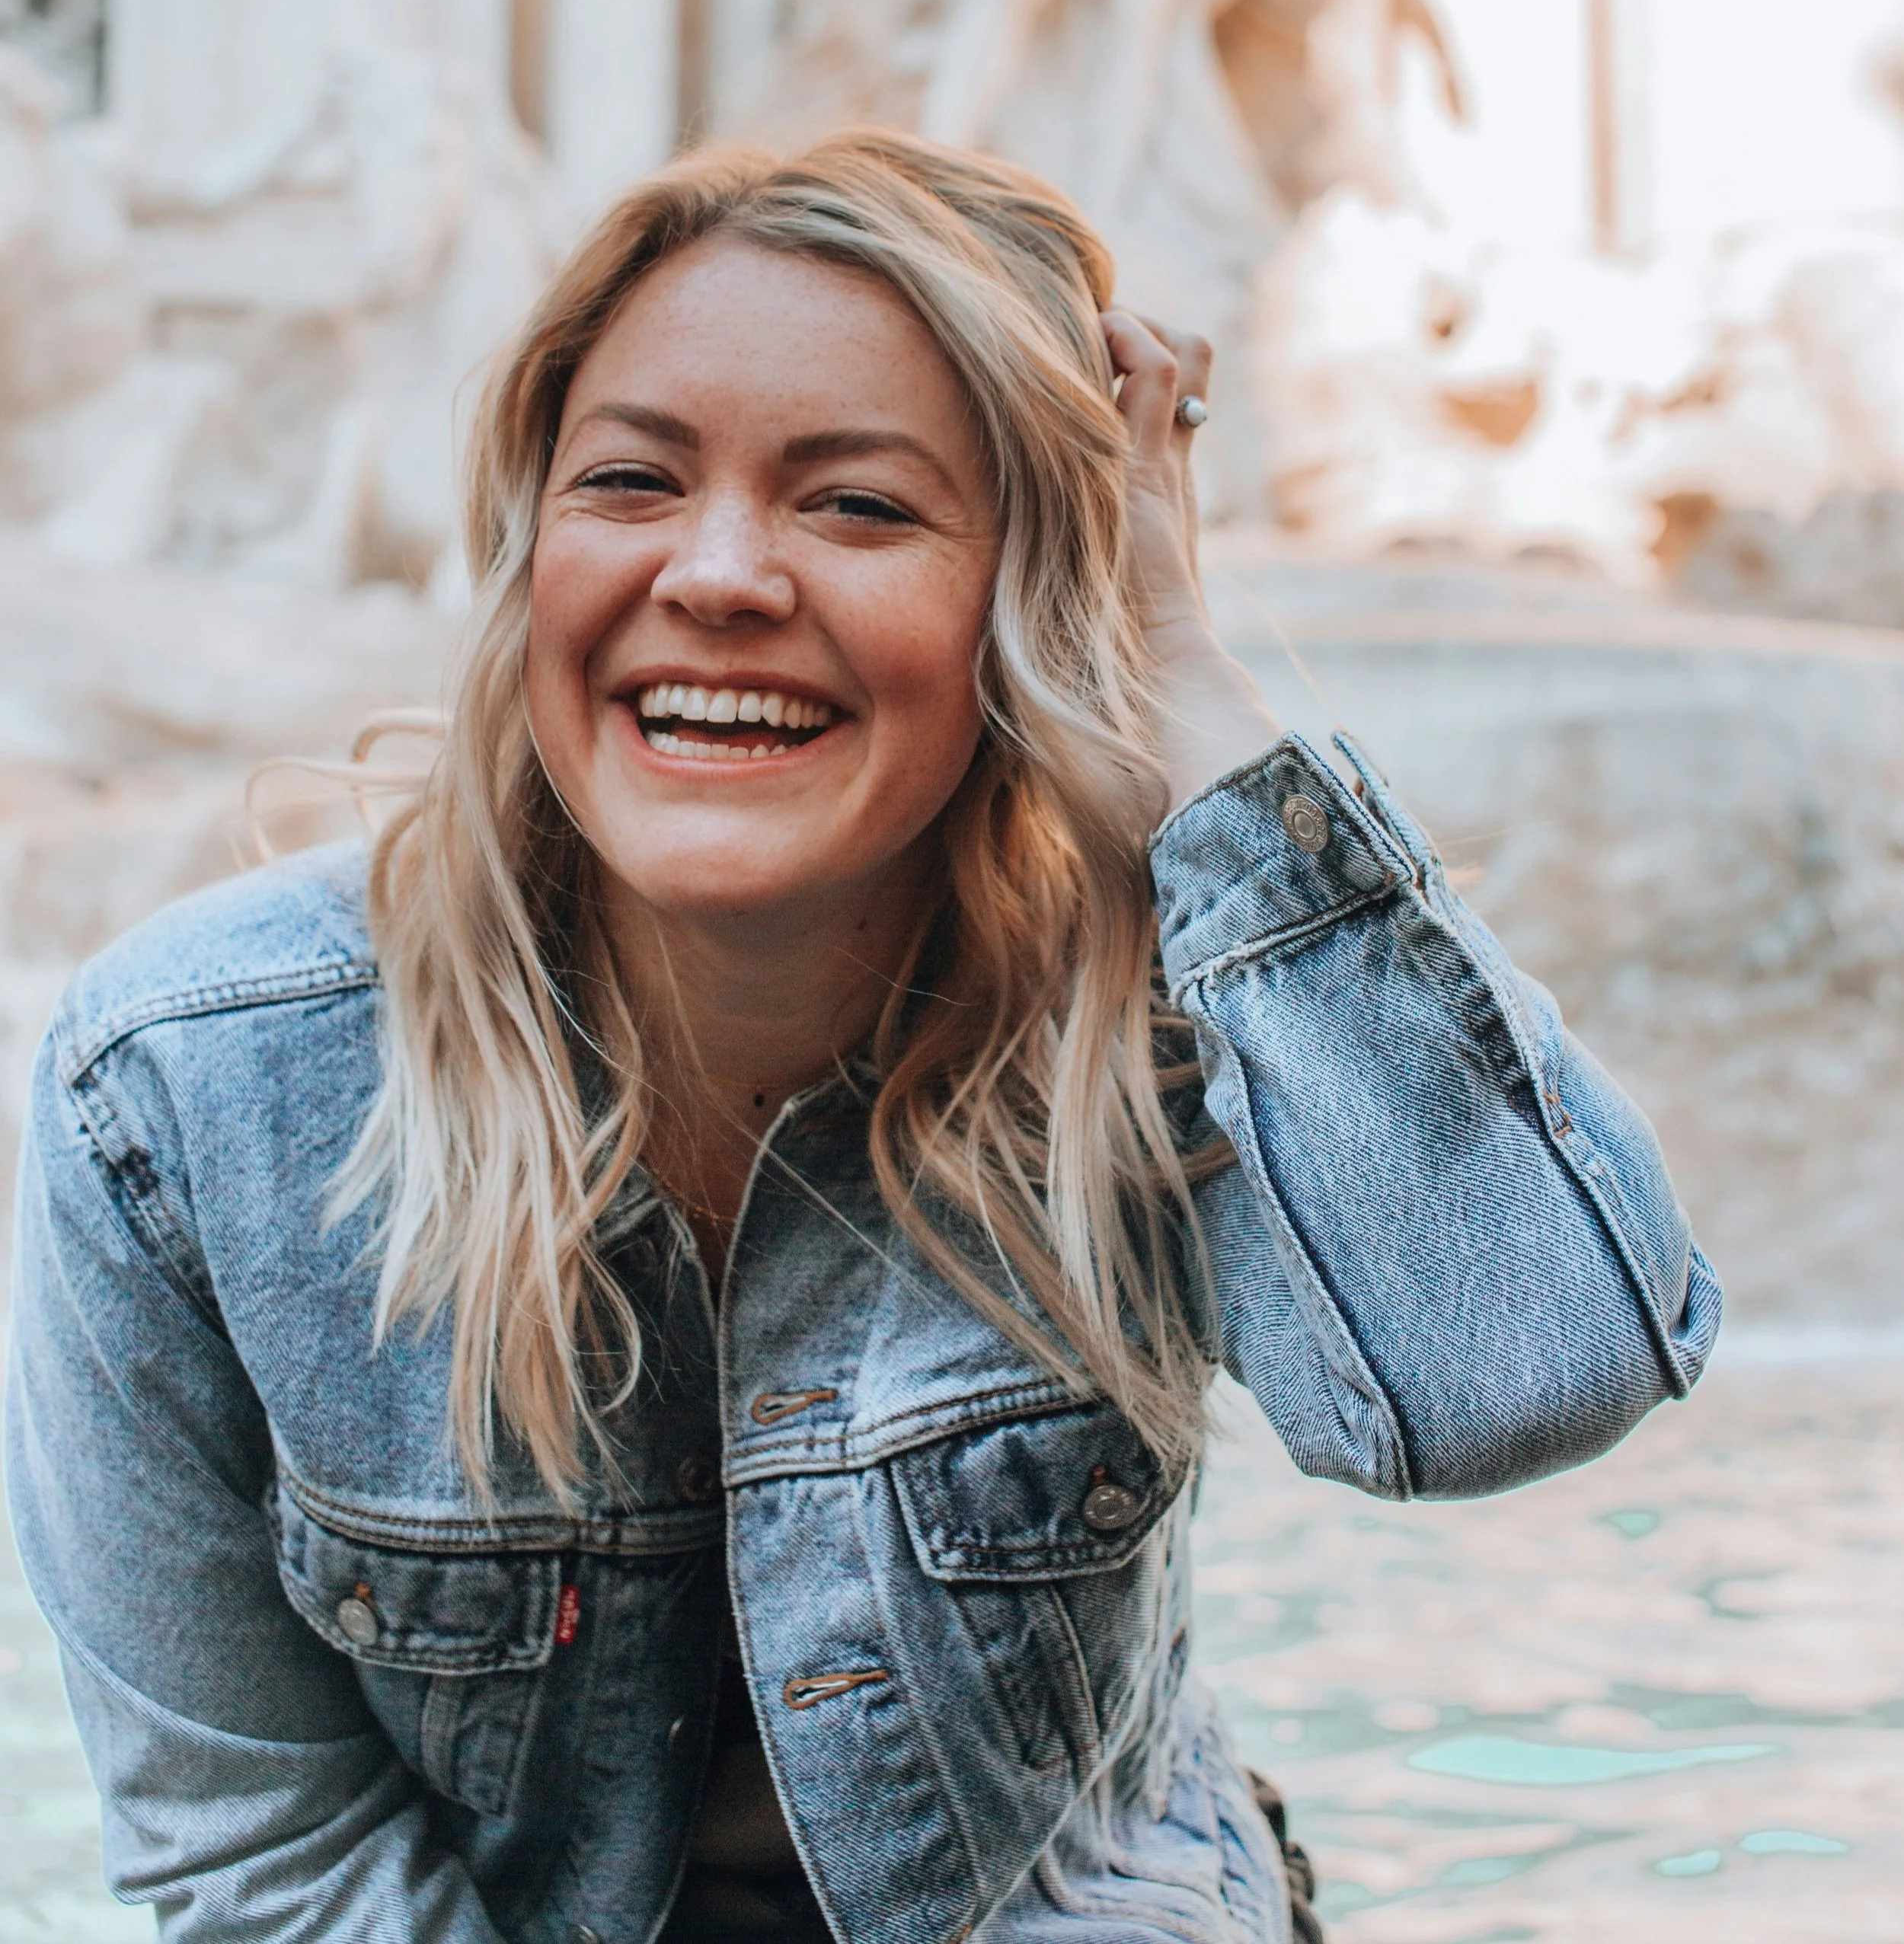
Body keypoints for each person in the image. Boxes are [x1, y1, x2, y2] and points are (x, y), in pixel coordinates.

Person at [5, 130, 1719, 1944]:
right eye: (631, 482)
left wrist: (1183, 693)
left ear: (1029, 597)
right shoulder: (183, 1088)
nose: (721, 574)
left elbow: (1519, 1377)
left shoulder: (1150, 1017)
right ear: (528, 557)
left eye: (859, 507)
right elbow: (263, 1861)